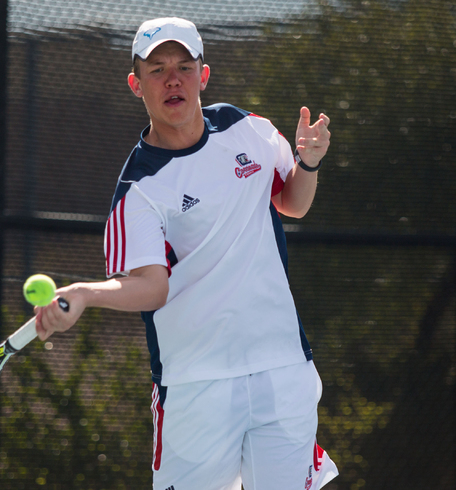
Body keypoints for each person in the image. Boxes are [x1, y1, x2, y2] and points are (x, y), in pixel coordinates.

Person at [35, 17, 339, 490]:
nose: (172, 78)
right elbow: (152, 287)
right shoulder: (138, 190)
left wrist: (308, 161)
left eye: (183, 65)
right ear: (137, 85)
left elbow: (292, 203)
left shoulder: (247, 130)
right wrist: (85, 293)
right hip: (196, 385)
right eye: (157, 69)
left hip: (282, 367)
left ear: (204, 74)